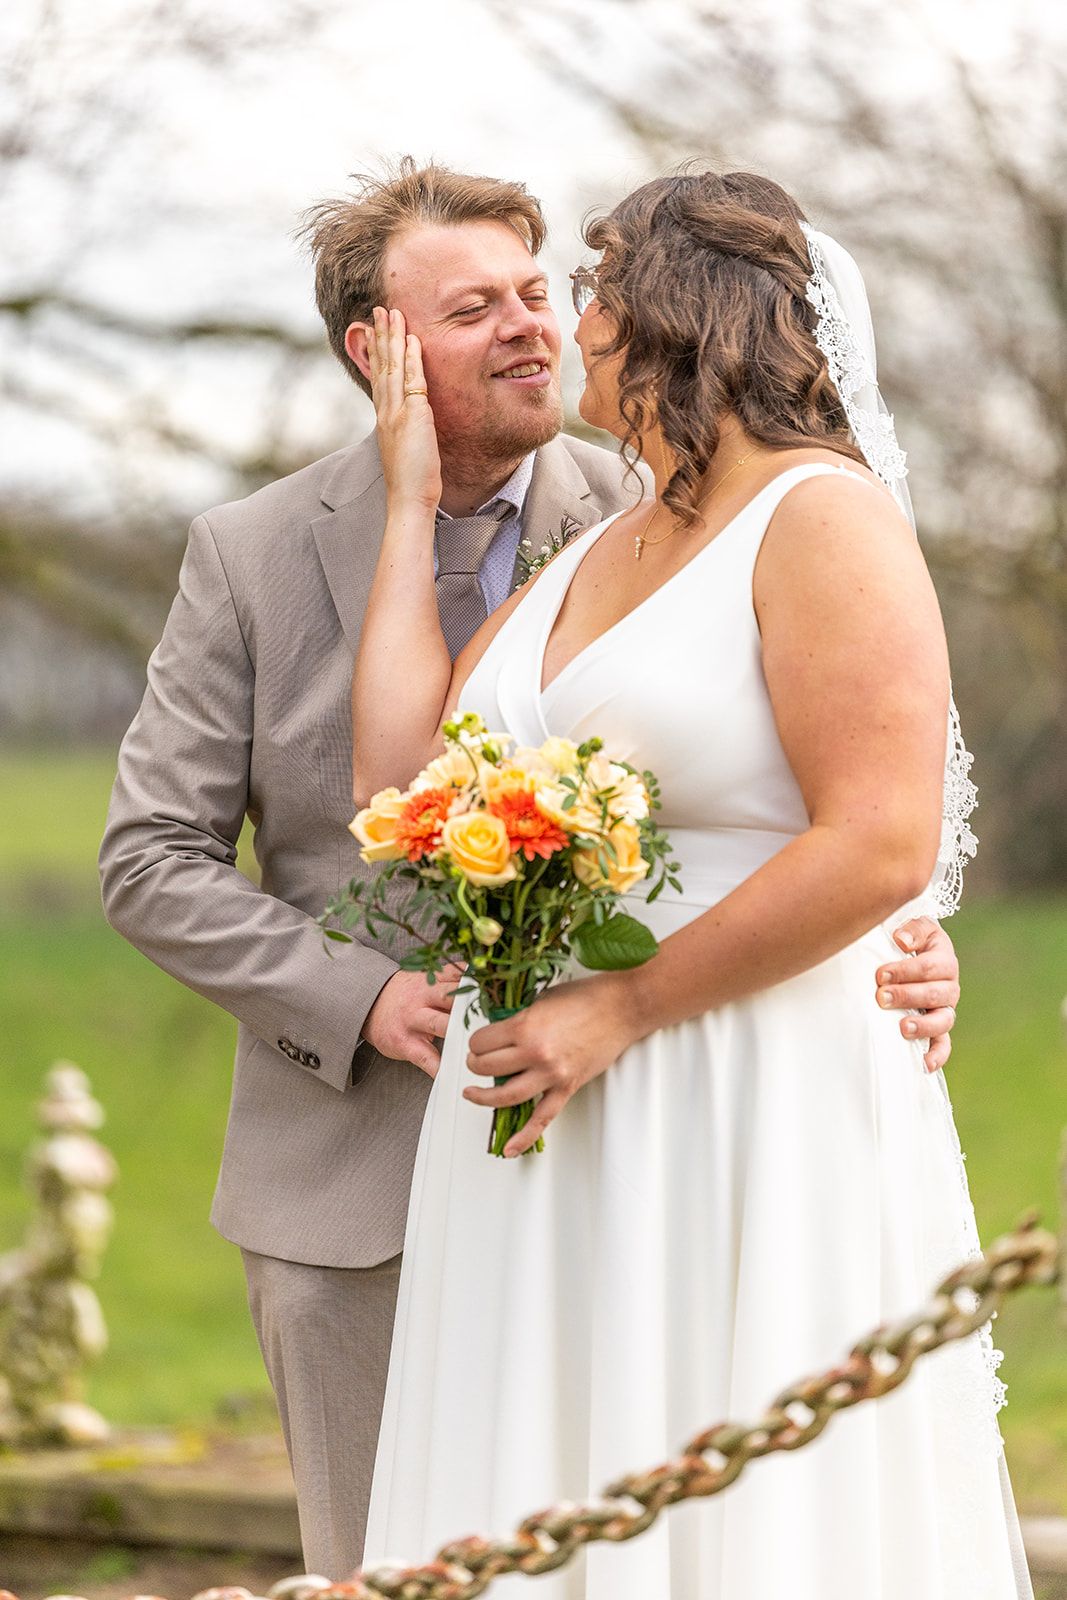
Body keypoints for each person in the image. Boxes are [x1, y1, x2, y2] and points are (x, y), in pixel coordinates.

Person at [98, 161, 965, 1583]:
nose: (544, 325)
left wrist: (900, 932)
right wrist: (364, 998)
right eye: (476, 308)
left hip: (687, 1115)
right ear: (374, 350)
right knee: (412, 1562)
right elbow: (237, 832)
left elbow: (856, 800)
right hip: (367, 1170)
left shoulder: (681, 500)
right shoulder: (255, 554)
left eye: (550, 291)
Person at [352, 169, 1030, 1597]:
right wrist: (408, 501)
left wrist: (621, 1008)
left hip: (736, 1096)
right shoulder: (604, 546)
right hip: (548, 1122)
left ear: (678, 311)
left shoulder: (822, 517)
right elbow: (405, 777)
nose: (573, 322)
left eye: (593, 289)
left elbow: (881, 840)